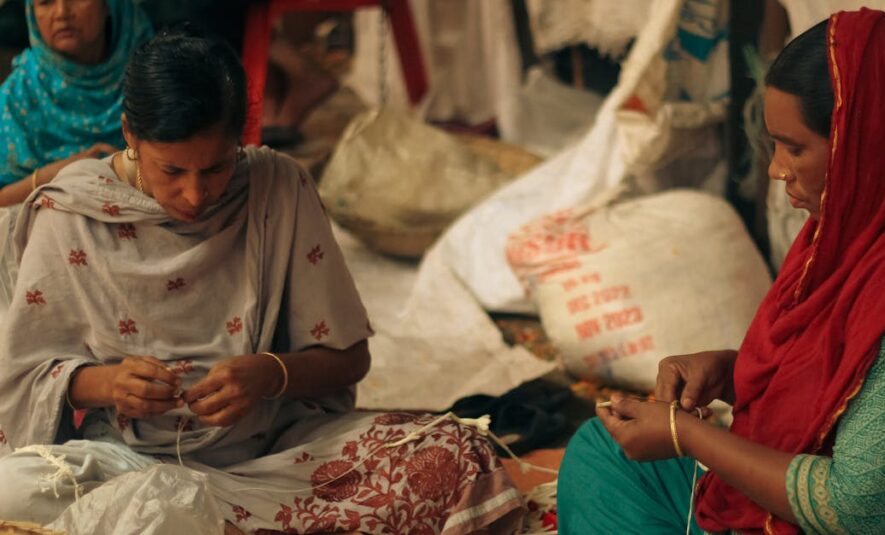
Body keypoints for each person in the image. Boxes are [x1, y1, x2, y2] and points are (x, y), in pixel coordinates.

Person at [0, 29, 524, 534]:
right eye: (172, 171)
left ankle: (203, 526)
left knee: (455, 454)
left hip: (276, 455)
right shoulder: (71, 212)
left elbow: (349, 359)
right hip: (120, 465)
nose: (194, 194)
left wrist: (269, 373)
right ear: (130, 135)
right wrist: (106, 384)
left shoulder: (278, 187)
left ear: (241, 140)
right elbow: (24, 376)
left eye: (216, 168)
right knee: (12, 490)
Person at [558, 9, 885, 534]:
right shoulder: (860, 243)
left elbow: (858, 511)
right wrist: (733, 375)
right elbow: (846, 387)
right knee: (605, 451)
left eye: (794, 147)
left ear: (865, 145)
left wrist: (686, 435)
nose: (777, 168)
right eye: (774, 144)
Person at [0, 0, 151, 207]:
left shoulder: (153, 76)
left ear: (109, 5)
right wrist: (56, 174)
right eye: (45, 2)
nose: (61, 12)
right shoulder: (17, 98)